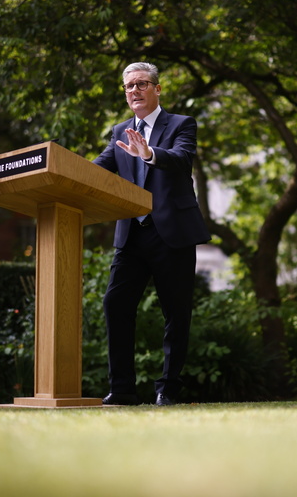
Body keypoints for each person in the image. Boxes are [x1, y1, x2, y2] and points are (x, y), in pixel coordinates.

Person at [93, 62, 210, 406]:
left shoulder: (181, 124)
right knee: (115, 304)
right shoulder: (119, 131)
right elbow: (95, 170)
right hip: (131, 235)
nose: (134, 91)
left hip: (171, 233)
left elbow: (181, 158)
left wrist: (150, 153)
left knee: (175, 312)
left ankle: (168, 389)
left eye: (142, 84)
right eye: (129, 86)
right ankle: (123, 389)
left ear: (157, 89)